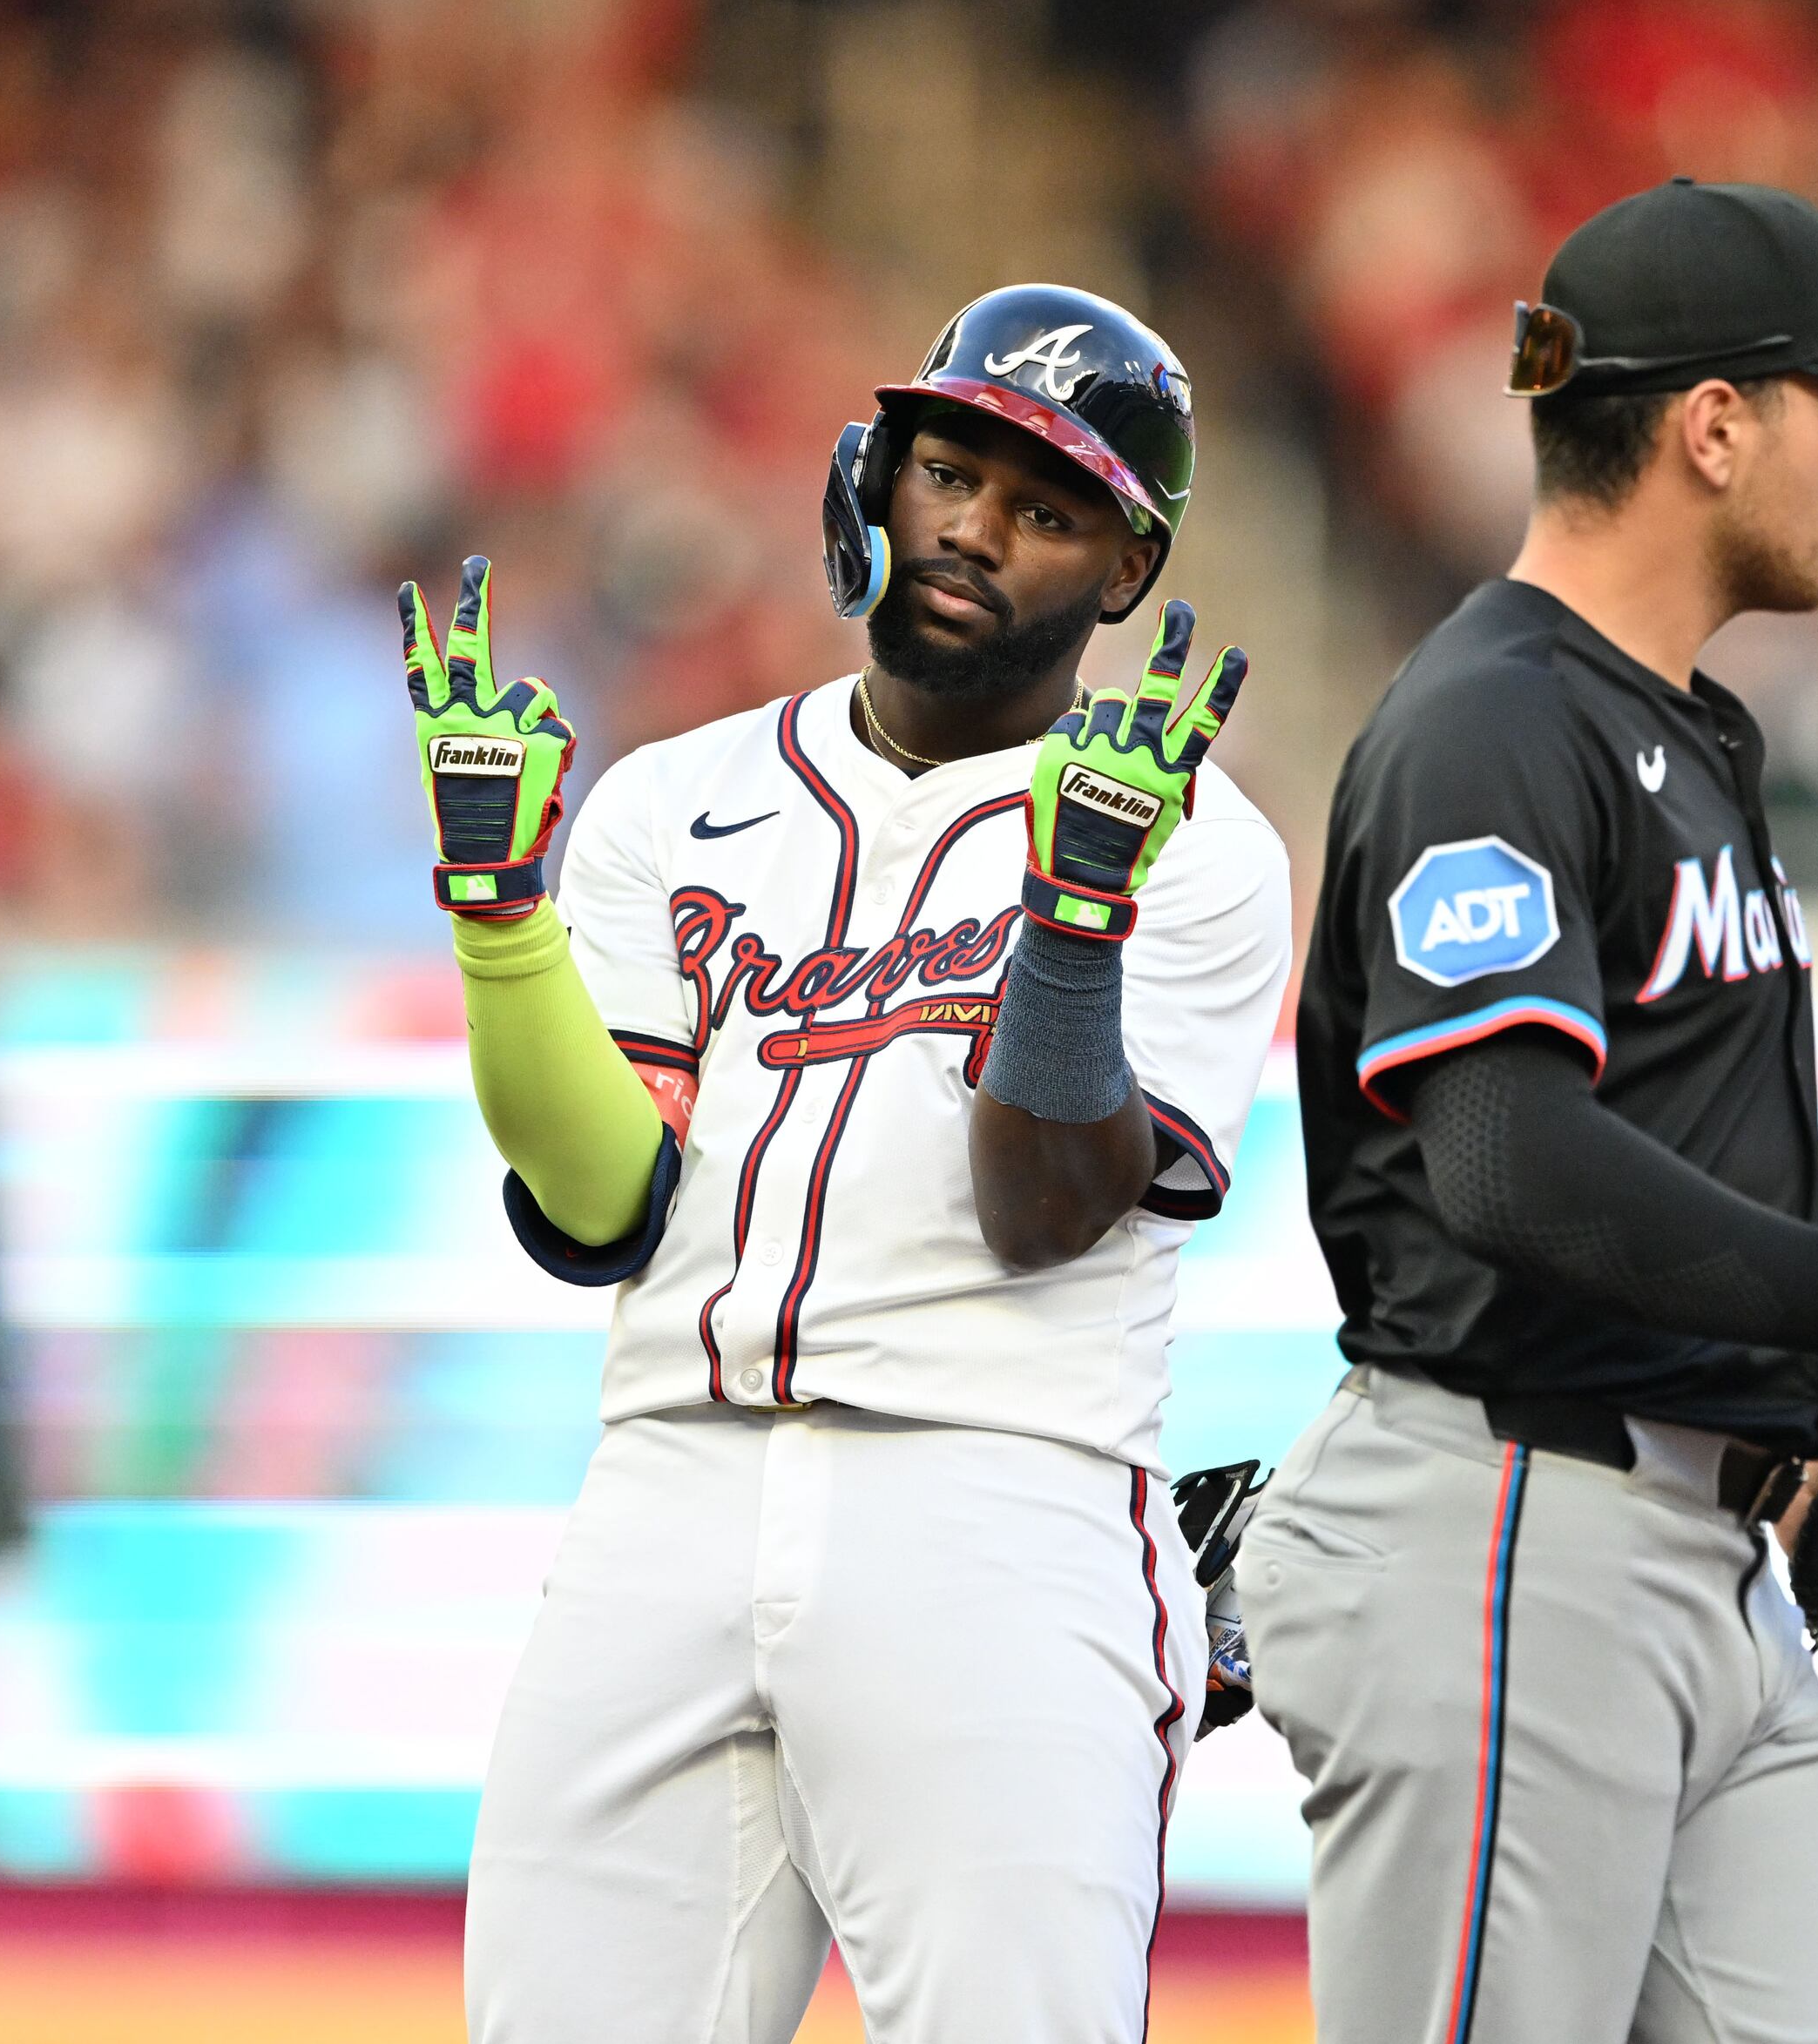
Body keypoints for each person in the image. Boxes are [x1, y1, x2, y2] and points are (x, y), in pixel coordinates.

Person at [412, 287, 1293, 2042]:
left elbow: (1043, 1217)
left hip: (996, 1499)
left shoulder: (1196, 845)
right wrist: (502, 925)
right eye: (949, 472)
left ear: (1123, 577)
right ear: (870, 483)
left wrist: (1071, 921)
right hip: (666, 1483)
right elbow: (598, 1217)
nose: (975, 529)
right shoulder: (677, 798)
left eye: (1048, 510)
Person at [1242, 180, 1818, 2043]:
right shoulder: (1496, 723)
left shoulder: (1671, 727)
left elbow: (1659, 1163)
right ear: (1712, 426)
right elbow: (1506, 1159)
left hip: (1696, 1558)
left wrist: (1780, 1433)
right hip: (1510, 1545)